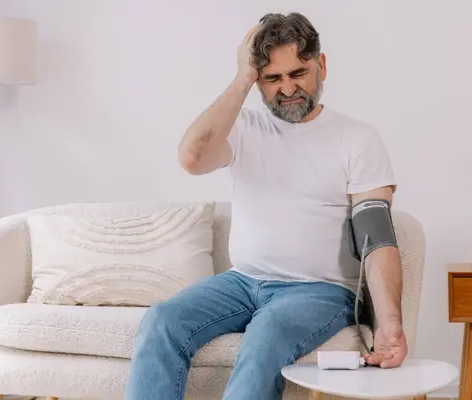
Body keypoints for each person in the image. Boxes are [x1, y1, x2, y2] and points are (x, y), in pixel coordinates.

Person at [125, 12, 407, 400]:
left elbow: (377, 238)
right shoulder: (243, 129)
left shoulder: (357, 139)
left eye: (298, 73)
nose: (287, 87)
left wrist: (391, 324)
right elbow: (191, 158)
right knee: (160, 321)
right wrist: (242, 77)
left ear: (320, 66)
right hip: (240, 282)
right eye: (272, 78)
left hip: (318, 291)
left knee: (267, 330)